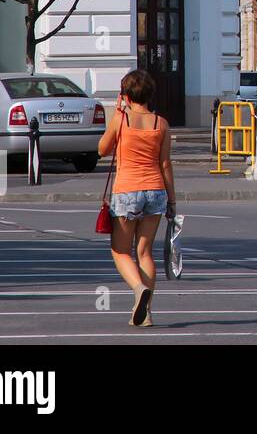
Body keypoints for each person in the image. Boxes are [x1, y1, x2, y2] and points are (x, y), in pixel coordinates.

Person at [98, 69, 175, 327]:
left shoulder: (122, 120)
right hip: (155, 190)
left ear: (126, 95)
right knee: (144, 252)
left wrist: (117, 112)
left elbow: (102, 149)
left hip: (127, 190)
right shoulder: (160, 123)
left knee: (120, 250)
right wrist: (172, 201)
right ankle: (146, 313)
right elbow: (165, 164)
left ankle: (138, 288)